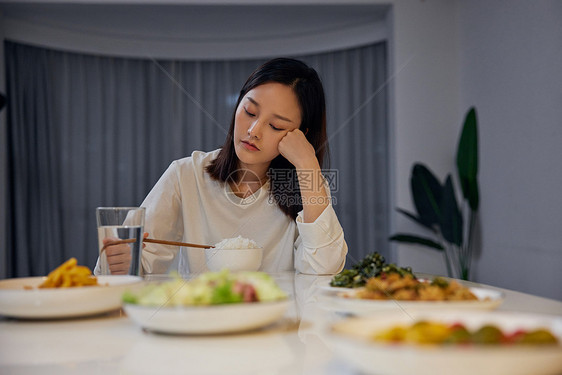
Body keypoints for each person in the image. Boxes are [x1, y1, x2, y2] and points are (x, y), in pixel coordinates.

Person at [95, 57, 347, 276]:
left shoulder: (306, 186)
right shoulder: (186, 174)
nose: (253, 131)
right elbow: (134, 259)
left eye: (276, 126)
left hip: (278, 327)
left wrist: (306, 164)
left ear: (299, 136)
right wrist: (125, 262)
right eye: (249, 111)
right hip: (199, 324)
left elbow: (324, 268)